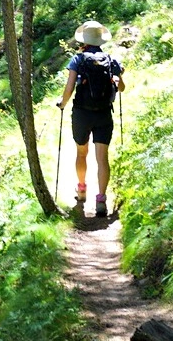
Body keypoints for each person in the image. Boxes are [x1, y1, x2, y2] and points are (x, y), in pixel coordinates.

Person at [56, 20, 125, 217]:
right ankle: (101, 200)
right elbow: (122, 88)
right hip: (104, 113)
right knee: (102, 158)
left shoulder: (78, 60)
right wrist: (118, 80)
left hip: (82, 113)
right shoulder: (111, 60)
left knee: (81, 153)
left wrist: (62, 103)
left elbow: (69, 88)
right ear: (101, 40)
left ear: (84, 40)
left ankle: (82, 189)